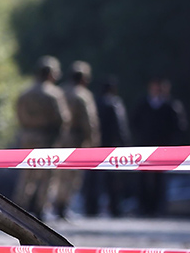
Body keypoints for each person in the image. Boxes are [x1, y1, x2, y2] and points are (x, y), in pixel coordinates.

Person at [13, 56, 70, 219]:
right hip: (47, 138)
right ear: (51, 74)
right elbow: (62, 118)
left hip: (28, 136)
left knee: (26, 174)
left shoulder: (25, 93)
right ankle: (40, 208)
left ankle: (19, 207)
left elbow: (19, 114)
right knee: (47, 175)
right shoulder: (54, 94)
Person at [130, 77, 187, 216]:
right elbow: (134, 122)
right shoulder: (143, 104)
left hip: (163, 148)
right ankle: (143, 207)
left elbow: (179, 126)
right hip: (144, 147)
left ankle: (157, 207)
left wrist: (172, 144)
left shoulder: (170, 105)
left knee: (160, 178)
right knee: (143, 178)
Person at [51, 61, 99, 219]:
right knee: (72, 176)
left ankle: (55, 204)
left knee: (58, 174)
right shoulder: (83, 95)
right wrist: (92, 141)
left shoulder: (60, 91)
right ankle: (63, 206)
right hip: (76, 140)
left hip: (59, 138)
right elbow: (89, 121)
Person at [84, 77, 131, 216]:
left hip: (94, 145)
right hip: (111, 146)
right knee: (113, 180)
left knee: (93, 179)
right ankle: (115, 208)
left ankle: (91, 208)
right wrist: (125, 144)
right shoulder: (115, 103)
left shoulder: (95, 103)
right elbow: (120, 126)